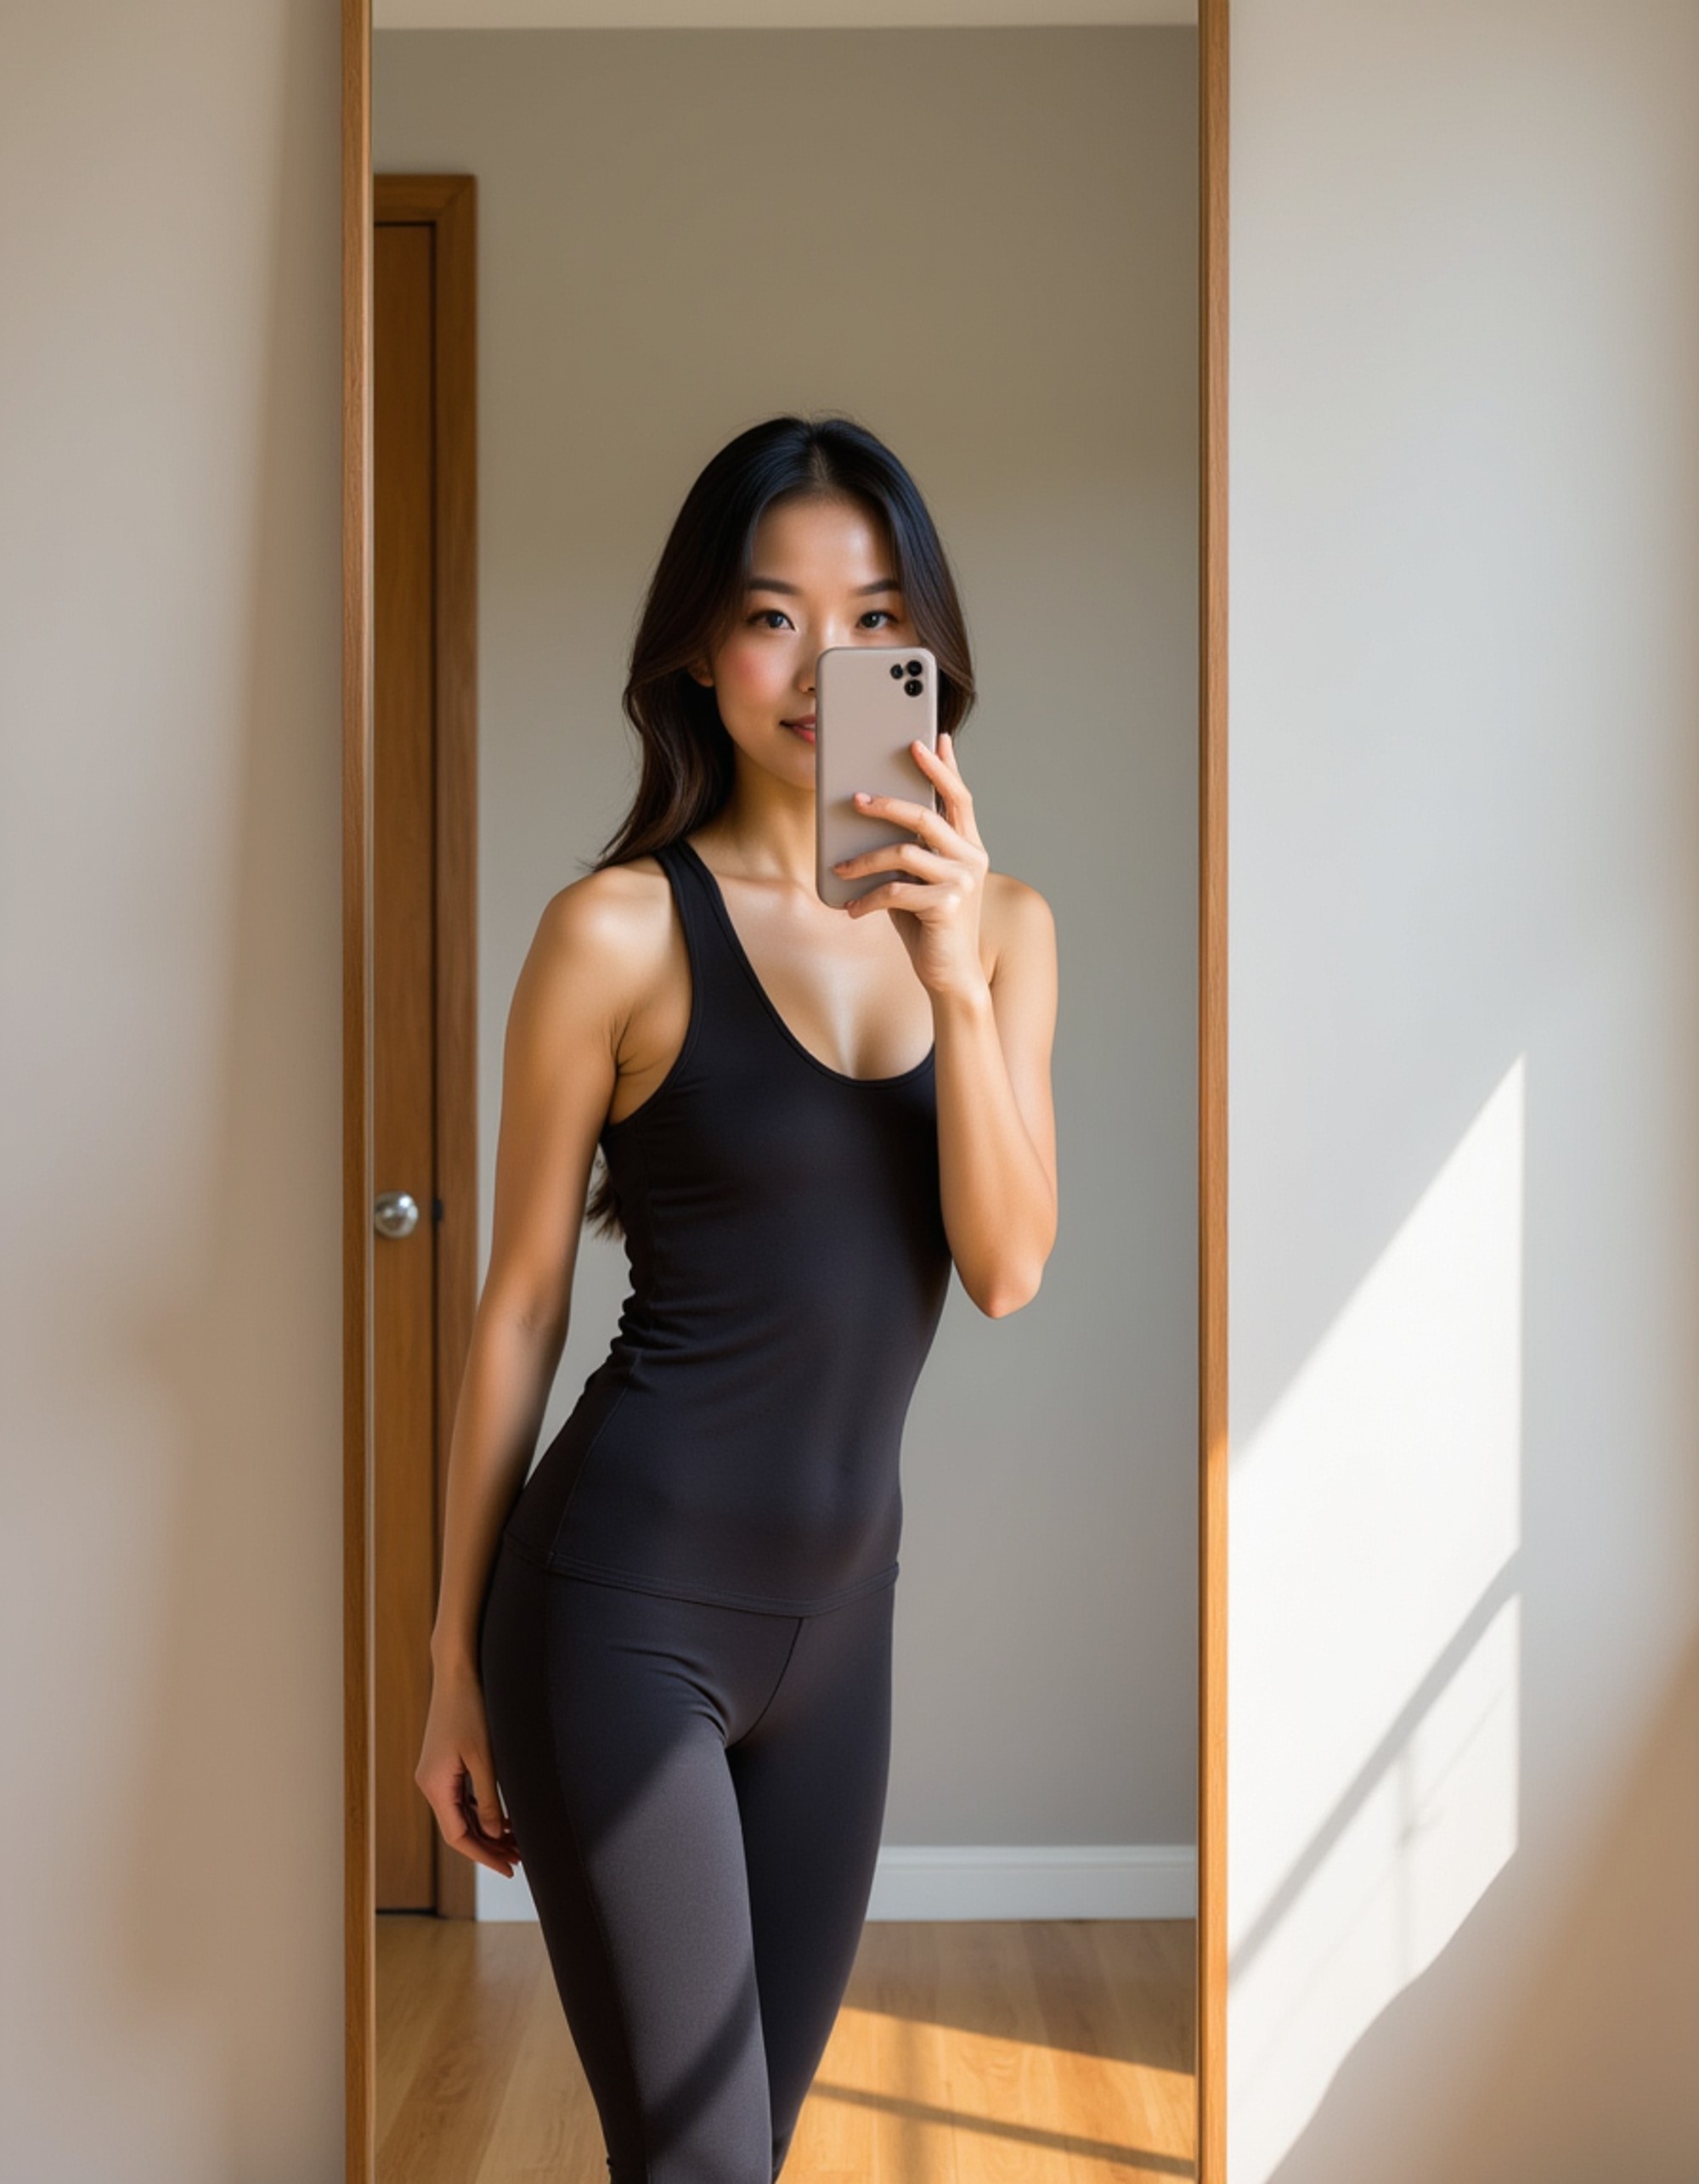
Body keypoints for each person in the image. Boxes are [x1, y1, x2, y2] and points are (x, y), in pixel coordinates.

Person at [414, 413, 1058, 2183]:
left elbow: (1005, 1268)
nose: (821, 663)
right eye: (774, 616)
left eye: (873, 619)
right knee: (698, 2167)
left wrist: (954, 980)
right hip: (620, 1605)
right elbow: (521, 1302)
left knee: (743, 2151)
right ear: (701, 648)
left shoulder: (999, 928)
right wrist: (450, 1655)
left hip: (843, 1628)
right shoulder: (613, 931)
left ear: (924, 651)